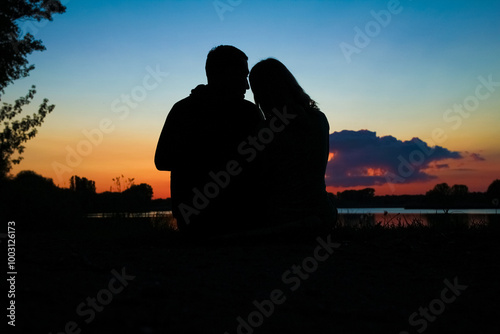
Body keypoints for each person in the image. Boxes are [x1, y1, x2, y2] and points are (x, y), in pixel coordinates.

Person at [155, 45, 265, 235]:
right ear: (224, 73)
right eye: (242, 75)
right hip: (226, 221)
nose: (247, 85)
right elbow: (162, 160)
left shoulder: (183, 109)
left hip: (224, 219)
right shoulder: (248, 114)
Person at [249, 58, 337, 230]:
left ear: (260, 92)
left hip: (281, 216)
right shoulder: (319, 119)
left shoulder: (265, 131)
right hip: (324, 213)